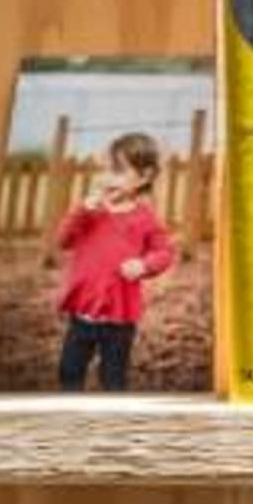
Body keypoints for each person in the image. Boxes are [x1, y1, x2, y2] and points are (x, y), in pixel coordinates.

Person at [50, 132, 179, 389]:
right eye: (105, 170)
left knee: (113, 377)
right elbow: (62, 240)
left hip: (120, 317)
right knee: (69, 370)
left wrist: (144, 265)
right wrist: (81, 211)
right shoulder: (90, 212)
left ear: (144, 177)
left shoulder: (145, 219)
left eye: (118, 171)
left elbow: (165, 253)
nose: (107, 178)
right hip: (83, 313)